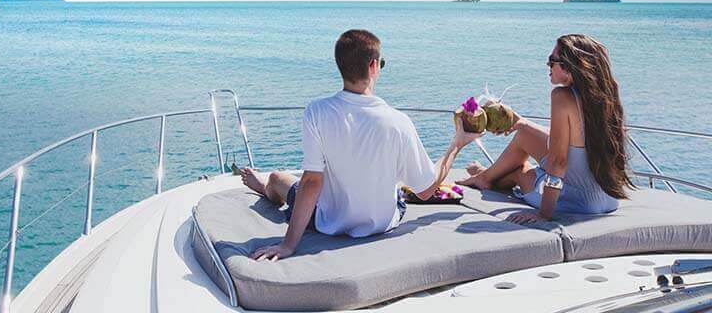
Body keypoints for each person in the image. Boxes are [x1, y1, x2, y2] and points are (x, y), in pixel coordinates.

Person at [241, 29, 481, 261]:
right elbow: (426, 190)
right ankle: (266, 186)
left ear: (340, 66)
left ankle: (266, 188)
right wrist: (457, 144)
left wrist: (288, 245)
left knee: (277, 178)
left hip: (327, 222)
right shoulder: (398, 122)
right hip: (381, 224)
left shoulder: (317, 112)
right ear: (374, 66)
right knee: (392, 171)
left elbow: (312, 182)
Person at [457, 34, 634, 224]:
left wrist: (544, 214)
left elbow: (559, 161)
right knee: (524, 133)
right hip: (608, 199)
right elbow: (574, 140)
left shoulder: (561, 96)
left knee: (520, 170)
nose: (548, 67)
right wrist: (522, 122)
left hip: (577, 202)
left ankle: (486, 177)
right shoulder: (606, 96)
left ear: (569, 67)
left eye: (552, 62)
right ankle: (485, 176)